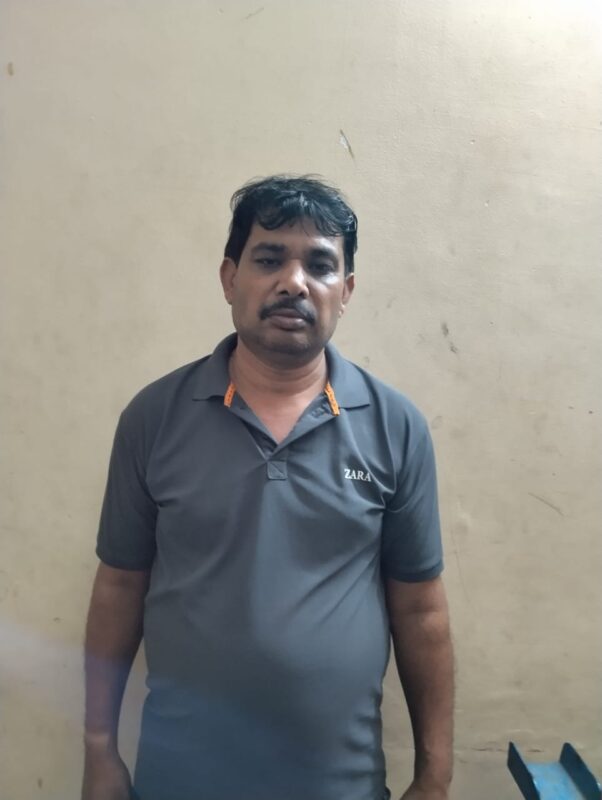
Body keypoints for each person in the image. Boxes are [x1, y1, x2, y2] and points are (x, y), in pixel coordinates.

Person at [82, 175, 454, 800]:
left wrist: (435, 778)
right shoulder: (154, 418)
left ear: (346, 291)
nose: (294, 282)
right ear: (230, 279)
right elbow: (119, 587)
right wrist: (98, 749)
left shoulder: (395, 427)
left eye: (320, 265)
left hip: (340, 785)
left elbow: (421, 612)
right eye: (269, 259)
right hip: (181, 782)